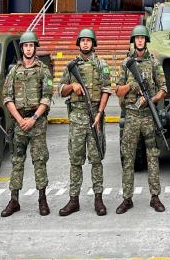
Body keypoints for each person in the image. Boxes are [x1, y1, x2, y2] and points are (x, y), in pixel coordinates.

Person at [58, 28, 112, 217]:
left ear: (93, 43)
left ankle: (98, 198)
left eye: (89, 41)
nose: (86, 43)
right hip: (77, 118)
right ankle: (74, 199)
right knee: (76, 160)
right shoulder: (71, 66)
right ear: (79, 43)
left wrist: (99, 113)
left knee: (96, 160)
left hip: (95, 117)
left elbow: (106, 90)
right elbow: (60, 90)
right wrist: (72, 86)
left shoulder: (101, 65)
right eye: (83, 41)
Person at [1, 31, 54, 217]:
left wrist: (33, 119)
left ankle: (42, 199)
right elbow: (7, 97)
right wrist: (20, 120)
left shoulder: (43, 70)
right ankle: (14, 200)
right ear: (22, 48)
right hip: (19, 122)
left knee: (39, 160)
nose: (29, 48)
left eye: (31, 45)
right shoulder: (14, 71)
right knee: (17, 161)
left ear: (35, 48)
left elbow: (47, 97)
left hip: (37, 122)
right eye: (26, 45)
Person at [115, 25, 167, 214]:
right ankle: (127, 198)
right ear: (133, 41)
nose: (139, 41)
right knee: (128, 157)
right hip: (131, 114)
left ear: (146, 41)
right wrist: (131, 86)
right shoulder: (125, 64)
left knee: (152, 156)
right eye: (136, 38)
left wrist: (151, 99)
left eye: (142, 38)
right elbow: (118, 91)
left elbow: (163, 89)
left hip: (148, 115)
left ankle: (155, 197)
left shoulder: (153, 63)